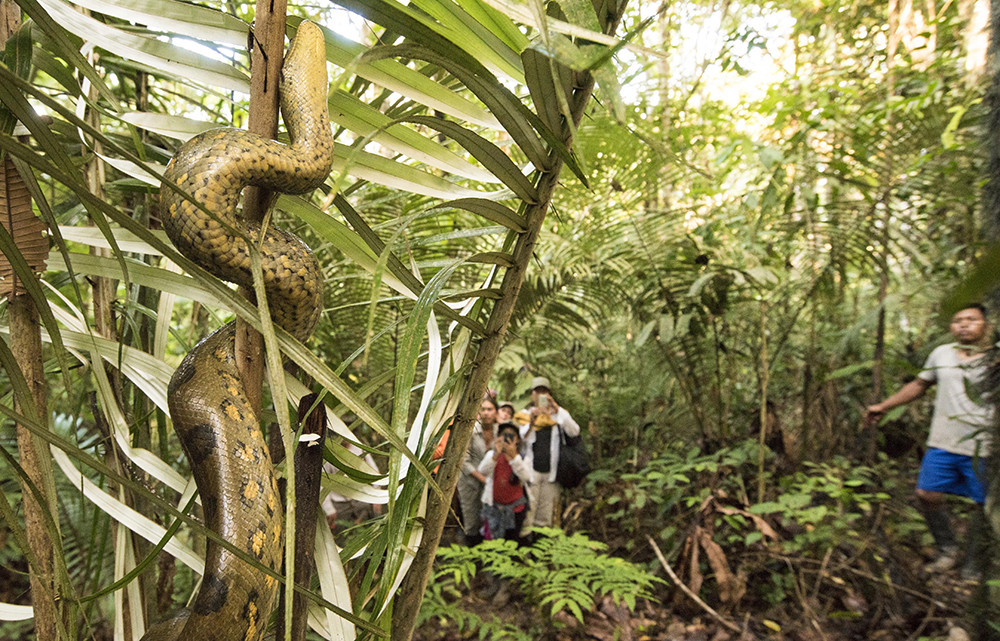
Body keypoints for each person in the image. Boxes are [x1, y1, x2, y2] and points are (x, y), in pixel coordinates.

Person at [865, 303, 994, 579]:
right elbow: (920, 385)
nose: (963, 324)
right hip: (943, 442)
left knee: (982, 506)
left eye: (971, 319)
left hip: (983, 446)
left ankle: (974, 563)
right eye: (958, 320)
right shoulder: (941, 354)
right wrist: (883, 406)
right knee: (926, 494)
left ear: (986, 324)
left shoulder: (995, 357)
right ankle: (947, 548)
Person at [521, 376, 580, 529]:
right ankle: (525, 551)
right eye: (537, 391)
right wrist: (532, 422)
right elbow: (520, 440)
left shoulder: (558, 416)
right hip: (531, 473)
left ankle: (541, 551)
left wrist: (556, 408)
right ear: (532, 395)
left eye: (544, 391)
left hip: (552, 475)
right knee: (528, 515)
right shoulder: (525, 415)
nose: (541, 395)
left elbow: (574, 431)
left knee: (546, 518)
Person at [456, 395, 498, 545]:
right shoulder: (471, 431)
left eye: (490, 409)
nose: (486, 413)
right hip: (470, 483)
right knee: (471, 521)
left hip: (491, 485)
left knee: (490, 522)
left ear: (496, 412)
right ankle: (471, 557)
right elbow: (463, 461)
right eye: (483, 409)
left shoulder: (500, 432)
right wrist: (483, 479)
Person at [478, 422, 531, 542]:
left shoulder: (522, 458)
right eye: (504, 435)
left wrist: (513, 458)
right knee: (492, 540)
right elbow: (482, 470)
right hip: (494, 507)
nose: (507, 438)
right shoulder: (492, 455)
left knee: (511, 541)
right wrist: (496, 454)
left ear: (517, 439)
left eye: (511, 436)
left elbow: (526, 477)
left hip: (515, 508)